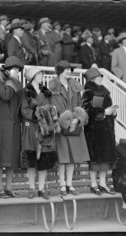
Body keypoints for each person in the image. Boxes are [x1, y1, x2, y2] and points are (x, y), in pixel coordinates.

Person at [0, 56, 24, 198]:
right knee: (0, 156)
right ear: (8, 69)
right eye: (15, 69)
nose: (17, 72)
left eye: (18, 70)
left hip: (14, 123)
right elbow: (5, 95)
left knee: (12, 157)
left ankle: (8, 187)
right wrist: (12, 80)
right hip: (1, 124)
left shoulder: (15, 82)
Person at [49, 60, 90, 195]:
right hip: (62, 125)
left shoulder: (75, 86)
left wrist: (78, 118)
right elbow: (54, 106)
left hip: (75, 126)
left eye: (69, 69)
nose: (68, 72)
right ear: (60, 71)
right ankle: (62, 184)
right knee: (63, 157)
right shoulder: (53, 88)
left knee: (72, 157)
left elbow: (80, 104)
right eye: (66, 69)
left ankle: (69, 184)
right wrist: (66, 119)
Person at [20, 67, 60, 199]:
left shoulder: (46, 92)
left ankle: (41, 189)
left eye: (41, 73)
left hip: (45, 129)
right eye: (39, 74)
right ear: (32, 76)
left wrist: (51, 112)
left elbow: (51, 107)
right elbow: (24, 110)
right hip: (31, 127)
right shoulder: (26, 92)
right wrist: (38, 115)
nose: (42, 75)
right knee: (31, 158)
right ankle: (31, 188)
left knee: (44, 159)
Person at [82, 68, 117, 195]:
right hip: (94, 131)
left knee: (105, 159)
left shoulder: (105, 92)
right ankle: (93, 184)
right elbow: (87, 110)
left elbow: (108, 108)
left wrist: (113, 112)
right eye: (98, 77)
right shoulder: (88, 92)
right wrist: (103, 113)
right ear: (92, 79)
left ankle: (102, 184)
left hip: (107, 130)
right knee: (95, 160)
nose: (101, 79)